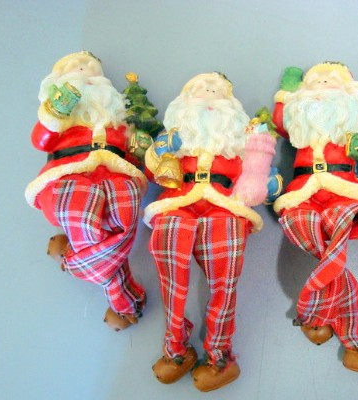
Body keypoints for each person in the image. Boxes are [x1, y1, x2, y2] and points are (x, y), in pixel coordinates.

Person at [144, 72, 276, 391]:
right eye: (202, 91)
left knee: (224, 279)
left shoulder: (239, 140)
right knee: (170, 266)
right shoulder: (175, 136)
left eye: (217, 92)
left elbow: (258, 174)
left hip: (224, 204)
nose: (210, 96)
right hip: (178, 201)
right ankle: (175, 347)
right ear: (186, 102)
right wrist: (159, 151)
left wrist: (266, 181)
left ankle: (220, 356)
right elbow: (152, 170)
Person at [271, 62, 358, 374]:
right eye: (316, 83)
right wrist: (287, 90)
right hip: (304, 192)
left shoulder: (356, 121)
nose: (322, 87)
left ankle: (338, 327)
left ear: (349, 93)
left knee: (339, 222)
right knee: (300, 225)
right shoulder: (299, 122)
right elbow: (282, 121)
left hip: (348, 192)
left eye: (330, 82)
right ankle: (334, 320)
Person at [24, 51, 148, 331]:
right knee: (78, 206)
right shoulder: (61, 120)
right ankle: (124, 301)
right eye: (78, 71)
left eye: (92, 73)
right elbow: (40, 141)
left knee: (126, 207)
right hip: (68, 177)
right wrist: (55, 113)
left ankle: (77, 258)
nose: (86, 75)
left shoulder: (114, 122)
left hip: (115, 178)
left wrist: (139, 150)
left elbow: (132, 153)